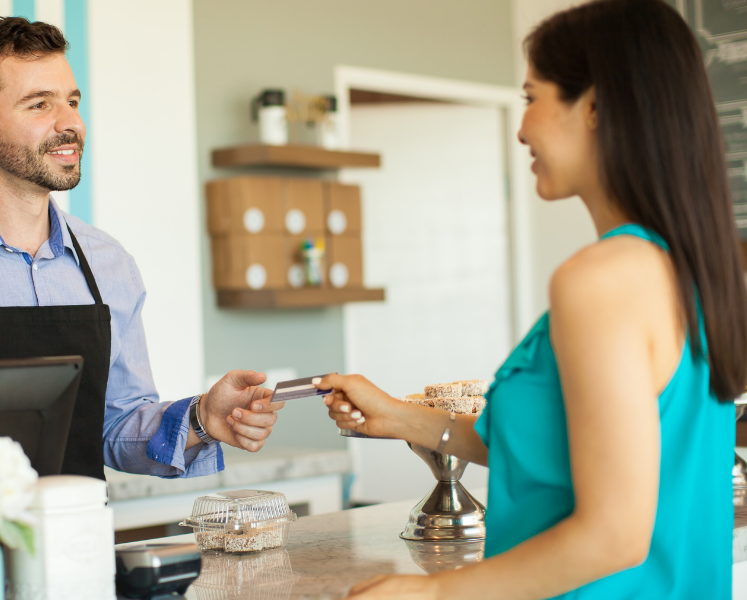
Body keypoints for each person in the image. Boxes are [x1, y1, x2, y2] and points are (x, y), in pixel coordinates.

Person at [317, 1, 747, 598]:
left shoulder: (600, 279)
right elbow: (565, 447)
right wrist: (396, 415)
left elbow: (616, 534)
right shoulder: (687, 270)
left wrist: (434, 593)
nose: (521, 128)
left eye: (530, 98)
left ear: (595, 107)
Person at [0, 17, 282, 480]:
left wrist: (202, 420)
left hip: (81, 543)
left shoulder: (110, 263)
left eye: (72, 101)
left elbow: (116, 425)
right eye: (39, 105)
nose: (71, 122)